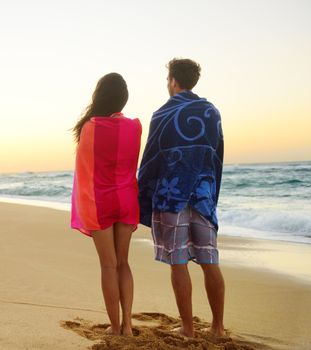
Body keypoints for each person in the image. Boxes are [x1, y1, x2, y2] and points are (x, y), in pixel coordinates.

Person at [137, 58, 225, 338]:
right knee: (210, 261)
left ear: (173, 81)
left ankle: (188, 328)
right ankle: (217, 328)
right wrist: (212, 195)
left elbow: (150, 161)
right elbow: (216, 157)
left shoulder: (162, 114)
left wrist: (142, 199)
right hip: (202, 196)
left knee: (179, 263)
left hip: (171, 196)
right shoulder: (212, 112)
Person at [71, 73, 142, 336]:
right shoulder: (135, 126)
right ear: (123, 99)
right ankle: (127, 326)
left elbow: (86, 174)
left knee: (108, 265)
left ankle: (114, 326)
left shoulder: (90, 127)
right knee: (123, 262)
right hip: (126, 200)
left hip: (101, 203)